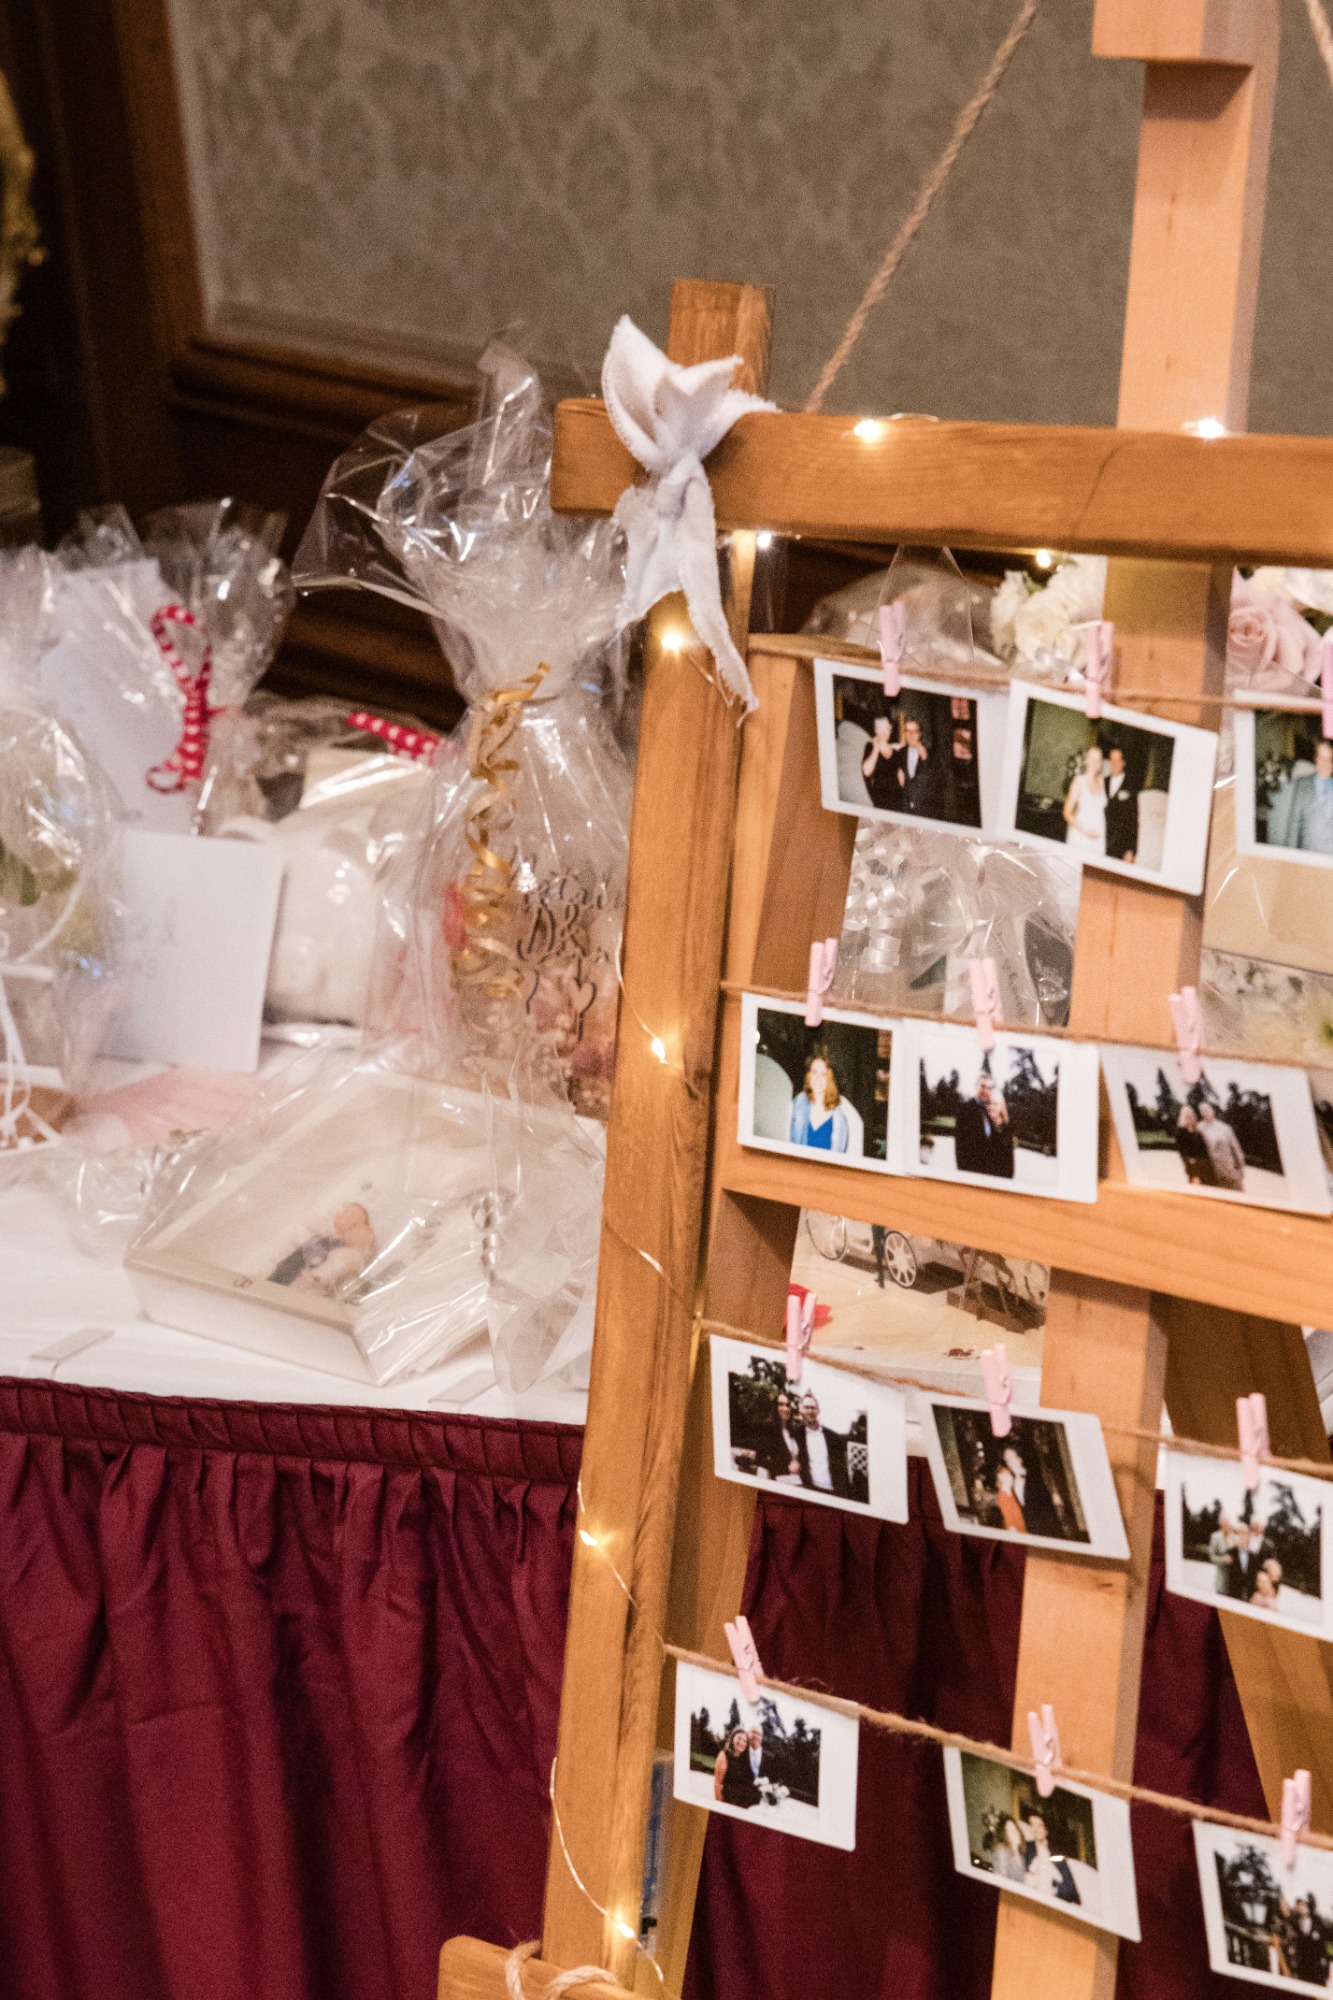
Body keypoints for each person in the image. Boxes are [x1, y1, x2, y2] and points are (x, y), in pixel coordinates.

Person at [269, 1202, 377, 1294]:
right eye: (345, 1211)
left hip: (287, 1289)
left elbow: (317, 1276)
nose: (341, 1214)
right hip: (276, 1280)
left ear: (357, 1227)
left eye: (350, 1214)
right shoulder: (323, 1238)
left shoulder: (341, 1251)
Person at [953, 1074, 1016, 1179]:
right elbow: (961, 1147)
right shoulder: (965, 1109)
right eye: (982, 1086)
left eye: (989, 1088)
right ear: (976, 1086)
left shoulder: (990, 1113)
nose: (986, 1091)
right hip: (971, 1174)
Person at [794, 1390, 854, 1499]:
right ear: (801, 1410)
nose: (810, 1411)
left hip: (833, 1492)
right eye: (806, 1407)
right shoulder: (796, 1435)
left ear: (818, 1410)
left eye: (813, 1408)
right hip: (809, 1491)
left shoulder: (833, 1438)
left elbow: (842, 1468)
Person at [789, 1055, 850, 1153]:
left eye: (823, 1074)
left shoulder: (839, 1119)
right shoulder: (798, 1104)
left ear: (830, 1078)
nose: (818, 1078)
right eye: (814, 1072)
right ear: (809, 1075)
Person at [1286, 738, 1333, 856]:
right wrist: (1290, 857)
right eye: (1322, 758)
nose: (1325, 763)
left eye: (1329, 759)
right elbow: (1294, 824)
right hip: (1309, 853)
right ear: (1316, 759)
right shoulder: (1302, 784)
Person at [888, 716, 942, 817]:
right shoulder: (900, 753)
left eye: (914, 731)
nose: (910, 735)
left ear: (920, 734)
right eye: (907, 731)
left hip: (925, 812)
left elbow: (936, 784)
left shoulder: (932, 755)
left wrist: (925, 759)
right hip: (905, 809)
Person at [1021, 1813, 1081, 1904]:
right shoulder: (1026, 1848)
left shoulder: (1057, 1854)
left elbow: (1071, 1890)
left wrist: (1054, 1891)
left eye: (1039, 1825)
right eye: (1032, 1825)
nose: (1035, 1829)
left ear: (1046, 1830)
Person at [1062, 744, 1107, 860]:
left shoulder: (1102, 782)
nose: (1095, 762)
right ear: (1086, 760)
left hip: (1099, 835)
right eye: (1092, 758)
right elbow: (1066, 813)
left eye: (1098, 759)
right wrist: (1085, 831)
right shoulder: (1079, 781)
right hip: (1081, 834)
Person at [752, 1389, 803, 1483]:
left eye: (788, 1405)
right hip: (779, 1479)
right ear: (775, 1407)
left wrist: (799, 1465)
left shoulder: (793, 1432)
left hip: (797, 1480)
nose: (785, 1409)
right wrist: (787, 1468)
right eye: (781, 1404)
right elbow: (760, 1460)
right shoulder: (767, 1429)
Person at [1198, 1100, 1247, 1191]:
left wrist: (1240, 1172)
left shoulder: (1225, 1128)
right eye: (1201, 1110)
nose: (1204, 1112)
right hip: (1210, 1175)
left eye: (1206, 1109)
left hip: (1229, 1173)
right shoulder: (1199, 1128)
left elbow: (1236, 1151)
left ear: (1213, 1110)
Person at [1104, 745, 1140, 863]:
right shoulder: (1103, 782)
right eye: (1111, 760)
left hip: (1120, 846)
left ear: (1123, 763)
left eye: (1117, 760)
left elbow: (1134, 820)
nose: (1114, 764)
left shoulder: (1131, 785)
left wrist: (1131, 850)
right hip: (1100, 841)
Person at [860, 713, 901, 811]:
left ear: (890, 729)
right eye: (879, 727)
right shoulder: (870, 747)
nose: (883, 732)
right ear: (875, 730)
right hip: (879, 800)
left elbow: (901, 777)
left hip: (898, 799)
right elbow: (866, 771)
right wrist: (876, 748)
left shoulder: (896, 750)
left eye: (886, 728)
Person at [714, 1725, 761, 1808]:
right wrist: (719, 1807)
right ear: (733, 1738)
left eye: (745, 1741)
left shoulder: (745, 1760)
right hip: (727, 1805)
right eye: (739, 1738)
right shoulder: (724, 1756)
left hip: (743, 1807)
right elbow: (717, 1784)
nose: (741, 1742)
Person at [1175, 1104, 1218, 1186]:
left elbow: (1204, 1150)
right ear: (1183, 1117)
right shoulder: (1181, 1132)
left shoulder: (1197, 1131)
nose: (1190, 1118)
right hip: (1194, 1169)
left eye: (1191, 1115)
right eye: (1187, 1116)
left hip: (1206, 1167)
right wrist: (1194, 1173)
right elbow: (1185, 1155)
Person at [987, 1814, 1030, 1884]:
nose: (1015, 1832)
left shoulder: (1020, 1855)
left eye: (1015, 1829)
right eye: (1010, 1830)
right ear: (1004, 1834)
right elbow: (1001, 1881)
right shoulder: (1002, 1852)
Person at [994, 1462, 1027, 1534]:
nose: (1011, 1477)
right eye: (1007, 1475)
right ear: (1001, 1478)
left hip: (1022, 1529)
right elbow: (1009, 1523)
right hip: (1017, 1533)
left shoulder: (1010, 1494)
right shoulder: (1003, 1496)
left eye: (1010, 1474)